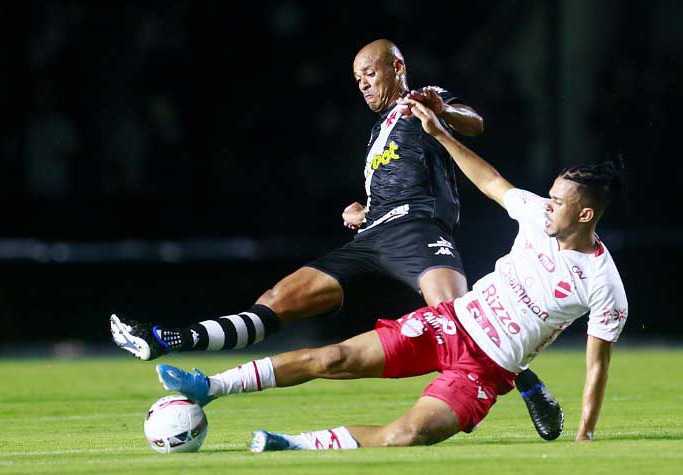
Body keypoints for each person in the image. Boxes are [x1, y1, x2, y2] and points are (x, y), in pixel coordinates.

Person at [110, 39, 563, 439]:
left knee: (457, 317)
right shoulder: (376, 132)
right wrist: (363, 208)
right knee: (279, 298)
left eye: (370, 72)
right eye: (357, 78)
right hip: (373, 234)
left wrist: (442, 112)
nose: (363, 83)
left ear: (397, 68)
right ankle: (170, 338)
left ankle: (528, 384)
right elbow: (392, 180)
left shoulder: (423, 101)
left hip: (416, 230)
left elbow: (475, 122)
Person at [155, 96, 628, 451]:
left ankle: (289, 444)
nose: (547, 205)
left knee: (406, 435)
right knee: (333, 358)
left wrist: (585, 433)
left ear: (585, 216)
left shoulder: (603, 284)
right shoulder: (535, 215)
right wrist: (440, 133)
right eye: (550, 195)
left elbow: (597, 363)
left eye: (560, 202)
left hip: (485, 369)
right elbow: (491, 181)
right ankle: (210, 386)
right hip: (449, 324)